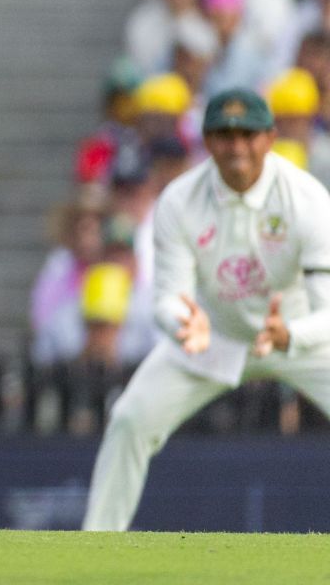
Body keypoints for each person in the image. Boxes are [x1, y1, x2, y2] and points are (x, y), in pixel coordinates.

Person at [83, 90, 330, 530]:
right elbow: (167, 295)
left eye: (247, 135)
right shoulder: (179, 201)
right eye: (224, 135)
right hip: (213, 337)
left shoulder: (307, 199)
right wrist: (184, 324)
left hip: (296, 335)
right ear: (207, 141)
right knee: (129, 420)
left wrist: (290, 335)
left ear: (270, 138)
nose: (236, 147)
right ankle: (93, 552)